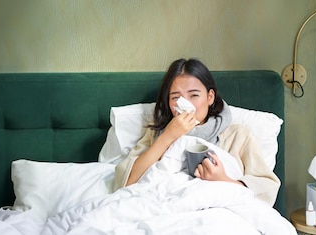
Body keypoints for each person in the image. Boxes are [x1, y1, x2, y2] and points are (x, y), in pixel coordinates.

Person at [114, 58, 280, 205]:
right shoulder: (157, 133)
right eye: (176, 98)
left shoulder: (237, 135)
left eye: (194, 95)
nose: (185, 104)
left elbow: (267, 189)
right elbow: (127, 181)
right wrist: (168, 136)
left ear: (210, 97)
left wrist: (223, 179)